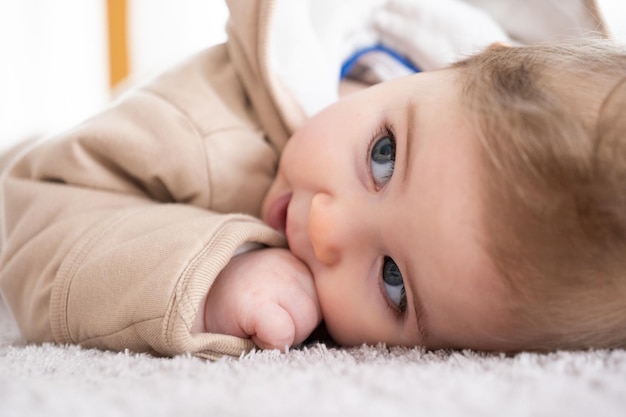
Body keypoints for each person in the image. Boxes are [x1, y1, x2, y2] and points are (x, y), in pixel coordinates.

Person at [0, 0, 623, 359]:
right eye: (383, 156)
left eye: (393, 282)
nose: (327, 227)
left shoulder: (439, 121)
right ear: (466, 58)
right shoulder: (201, 129)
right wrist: (218, 272)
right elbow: (30, 208)